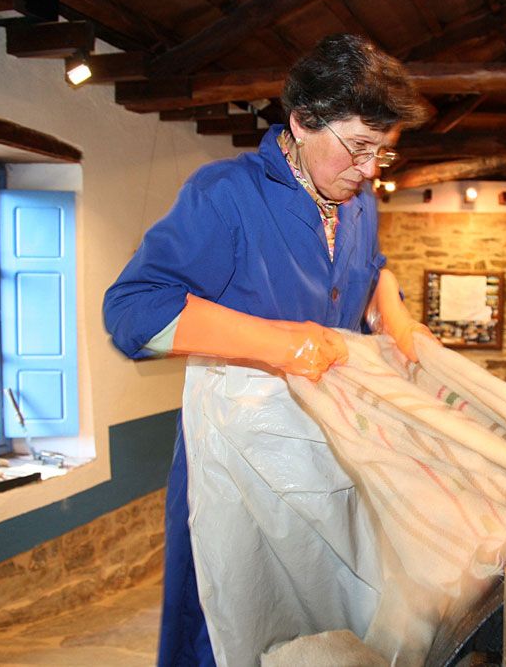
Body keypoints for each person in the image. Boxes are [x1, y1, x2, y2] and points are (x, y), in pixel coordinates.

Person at [103, 34, 430, 666]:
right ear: (303, 121)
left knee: (326, 616)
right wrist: (275, 344)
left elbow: (367, 270)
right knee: (228, 619)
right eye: (358, 148)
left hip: (333, 457)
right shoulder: (225, 196)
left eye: (381, 152)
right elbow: (133, 309)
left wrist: (389, 305)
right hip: (237, 469)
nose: (369, 171)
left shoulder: (357, 204)